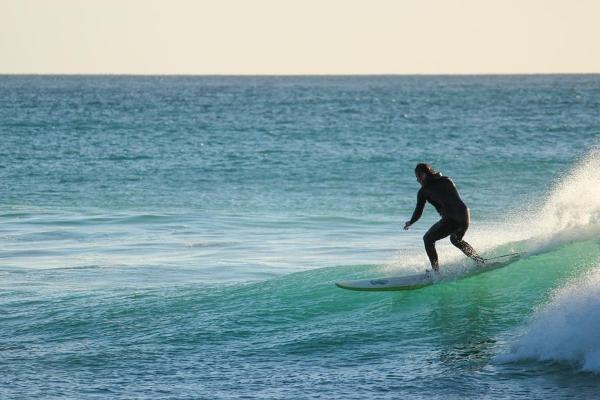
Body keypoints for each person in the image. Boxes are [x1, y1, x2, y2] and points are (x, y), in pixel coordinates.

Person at [404, 163, 484, 272]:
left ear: (423, 175)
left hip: (452, 219)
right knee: (456, 240)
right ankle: (480, 261)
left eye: (417, 177)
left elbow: (418, 211)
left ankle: (436, 272)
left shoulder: (423, 191)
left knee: (427, 239)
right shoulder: (447, 180)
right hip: (465, 215)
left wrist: (411, 222)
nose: (417, 180)